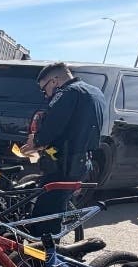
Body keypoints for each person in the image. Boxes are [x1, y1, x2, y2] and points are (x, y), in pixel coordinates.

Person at [20, 61, 107, 238]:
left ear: (54, 81)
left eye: (44, 89)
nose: (45, 95)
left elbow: (53, 126)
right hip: (83, 162)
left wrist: (34, 142)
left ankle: (43, 260)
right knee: (58, 207)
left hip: (63, 164)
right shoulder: (95, 92)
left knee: (43, 217)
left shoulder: (67, 93)